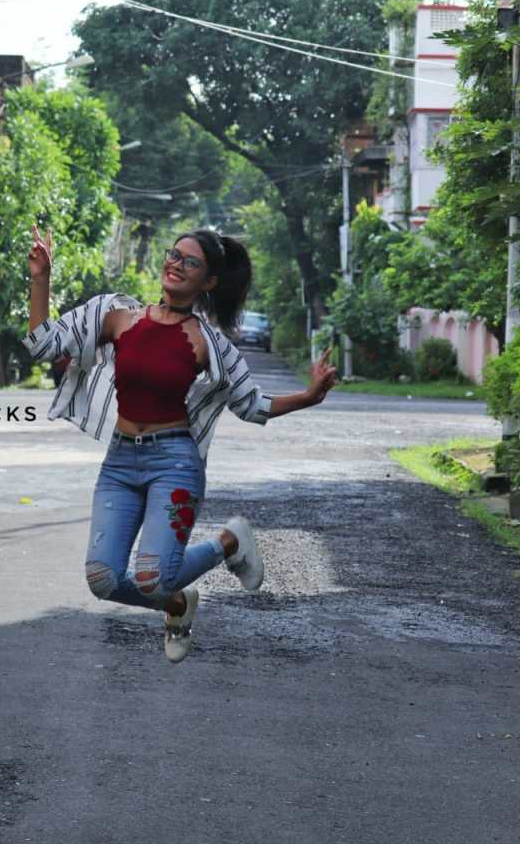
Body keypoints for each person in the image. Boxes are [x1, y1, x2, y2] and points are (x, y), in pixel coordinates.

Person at [23, 223, 336, 662]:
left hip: (174, 465)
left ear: (208, 282)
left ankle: (229, 542)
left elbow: (252, 405)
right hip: (120, 463)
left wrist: (309, 396)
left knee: (153, 577)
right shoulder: (117, 315)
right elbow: (44, 345)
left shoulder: (209, 344)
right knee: (102, 579)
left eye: (191, 262)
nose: (177, 264)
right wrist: (41, 279)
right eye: (174, 254)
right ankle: (177, 605)